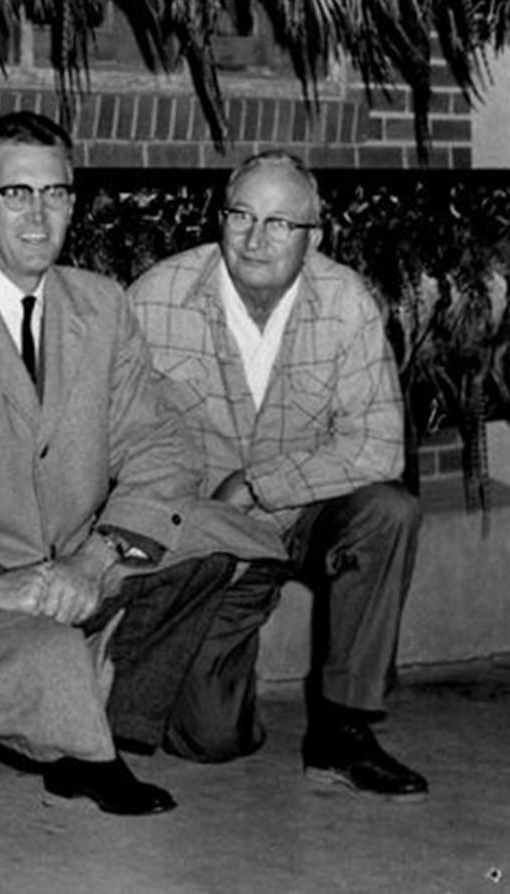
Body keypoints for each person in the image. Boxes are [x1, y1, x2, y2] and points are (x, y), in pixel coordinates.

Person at [0, 110, 275, 816]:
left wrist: (95, 560)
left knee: (233, 543)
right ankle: (67, 741)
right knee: (47, 655)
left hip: (74, 567)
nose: (38, 216)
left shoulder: (101, 303)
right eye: (16, 194)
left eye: (56, 193)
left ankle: (92, 713)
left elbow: (157, 446)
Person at [128, 149, 428, 798]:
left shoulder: (346, 300)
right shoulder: (157, 297)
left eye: (280, 223)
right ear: (221, 218)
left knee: (387, 511)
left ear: (314, 236)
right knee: (208, 741)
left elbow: (379, 448)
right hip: (210, 536)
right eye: (241, 215)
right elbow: (118, 436)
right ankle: (227, 670)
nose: (256, 239)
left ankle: (343, 730)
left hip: (308, 517)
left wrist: (265, 483)